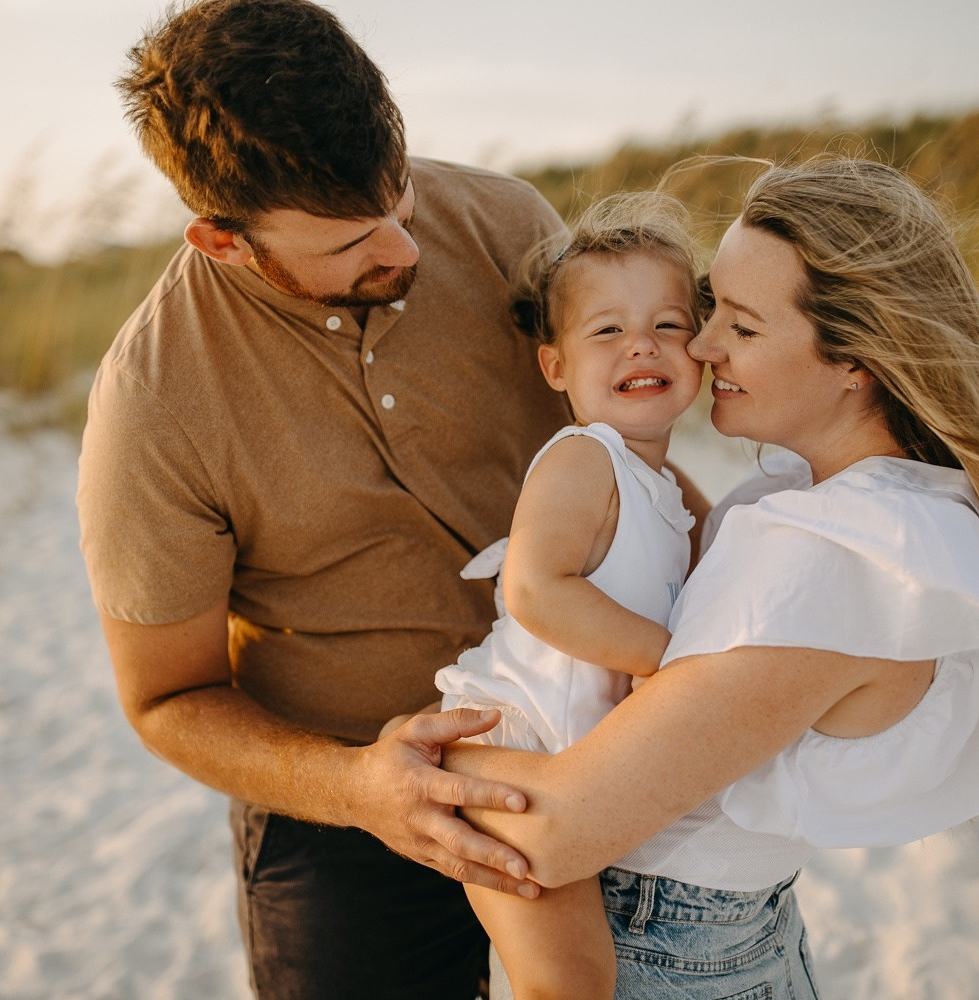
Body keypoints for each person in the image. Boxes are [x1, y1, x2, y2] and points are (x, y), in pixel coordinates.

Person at [75, 1, 581, 996]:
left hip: (589, 751)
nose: (404, 245)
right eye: (353, 237)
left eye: (399, 190)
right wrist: (359, 788)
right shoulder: (151, 400)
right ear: (222, 240)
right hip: (339, 814)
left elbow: (627, 448)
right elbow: (166, 698)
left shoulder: (512, 225)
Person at [432, 155, 979, 999]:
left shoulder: (843, 552)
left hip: (671, 942)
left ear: (855, 361)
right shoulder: (826, 498)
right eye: (712, 303)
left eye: (743, 325)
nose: (703, 341)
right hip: (716, 934)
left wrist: (417, 765)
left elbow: (558, 830)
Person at [383, 190, 705, 998]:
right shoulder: (582, 457)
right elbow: (532, 589)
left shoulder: (665, 486)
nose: (642, 345)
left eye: (668, 325)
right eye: (608, 331)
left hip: (574, 760)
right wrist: (665, 662)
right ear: (555, 366)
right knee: (567, 980)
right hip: (514, 743)